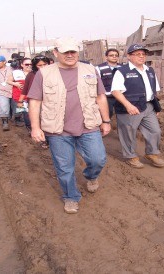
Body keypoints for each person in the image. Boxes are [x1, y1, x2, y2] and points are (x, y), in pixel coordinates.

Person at [27, 37, 111, 214]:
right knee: (64, 168)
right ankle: (71, 197)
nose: (70, 55)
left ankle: (91, 176)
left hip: (88, 125)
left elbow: (100, 96)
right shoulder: (44, 73)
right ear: (56, 53)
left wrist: (106, 120)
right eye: (66, 52)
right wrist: (35, 127)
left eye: (73, 51)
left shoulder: (89, 70)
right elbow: (35, 101)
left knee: (98, 159)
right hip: (58, 130)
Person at [111, 44, 164, 169]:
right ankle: (131, 156)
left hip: (148, 106)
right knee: (129, 132)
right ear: (129, 56)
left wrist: (156, 106)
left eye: (143, 54)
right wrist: (128, 105)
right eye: (137, 54)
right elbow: (115, 91)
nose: (141, 56)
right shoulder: (122, 71)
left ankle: (152, 154)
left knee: (155, 131)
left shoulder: (150, 70)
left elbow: (154, 90)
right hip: (129, 108)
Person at [18, 55, 51, 132]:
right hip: (35, 102)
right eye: (40, 65)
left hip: (49, 101)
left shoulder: (53, 75)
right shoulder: (31, 75)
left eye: (45, 64)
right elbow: (25, 89)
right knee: (37, 119)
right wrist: (20, 101)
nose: (43, 67)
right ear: (35, 66)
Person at [96, 48, 121, 119]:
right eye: (111, 55)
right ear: (106, 57)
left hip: (120, 96)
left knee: (122, 116)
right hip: (107, 97)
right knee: (107, 115)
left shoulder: (122, 68)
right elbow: (97, 83)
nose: (114, 57)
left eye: (116, 55)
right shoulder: (99, 68)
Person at [7, 57, 31, 127]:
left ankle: (29, 125)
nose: (29, 65)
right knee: (21, 110)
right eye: (27, 64)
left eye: (31, 64)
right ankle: (18, 119)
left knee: (28, 112)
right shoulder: (16, 73)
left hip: (30, 95)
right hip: (19, 95)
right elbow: (8, 81)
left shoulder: (34, 72)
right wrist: (16, 84)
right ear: (22, 65)